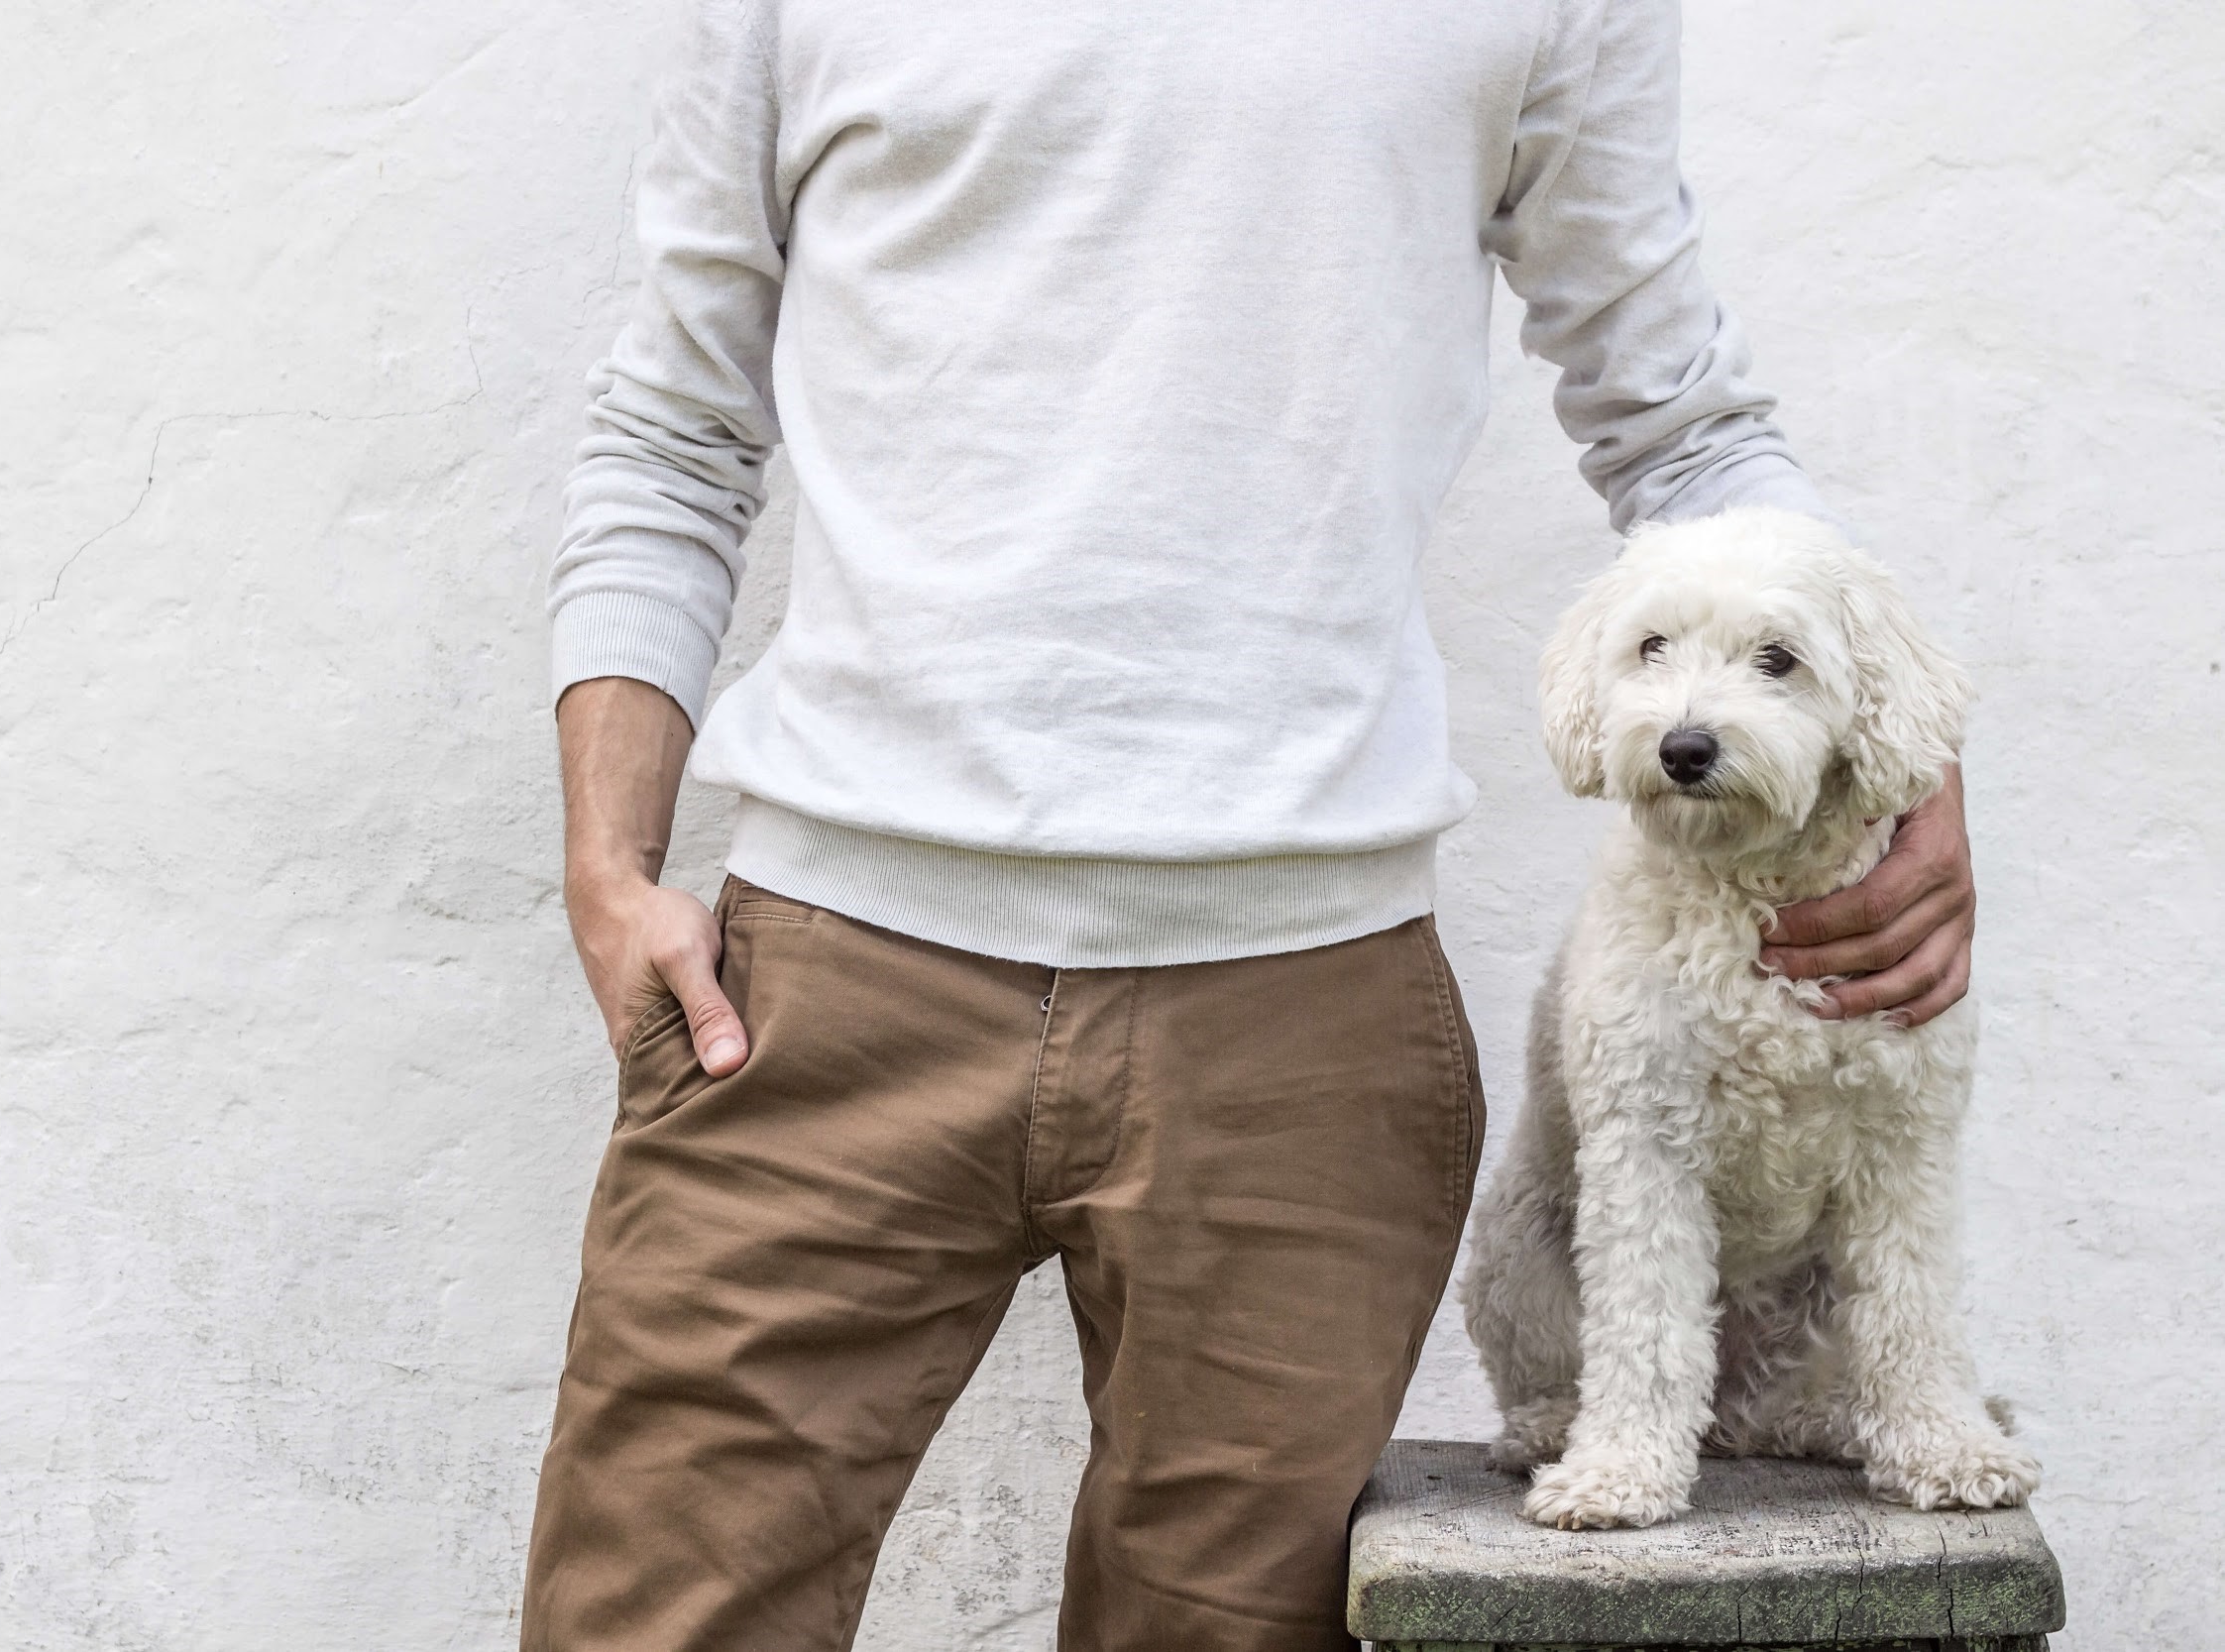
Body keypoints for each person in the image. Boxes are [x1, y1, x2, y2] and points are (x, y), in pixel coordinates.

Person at [520, 1, 1978, 1646]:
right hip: (817, 990)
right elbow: (672, 424)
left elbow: (1687, 424)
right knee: (647, 1618)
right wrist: (607, 870)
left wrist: (1908, 768)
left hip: (1302, 1018)